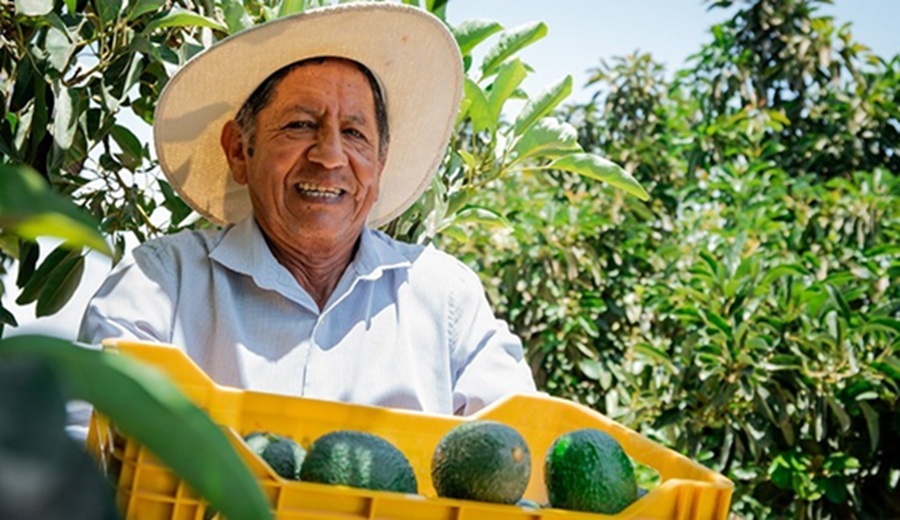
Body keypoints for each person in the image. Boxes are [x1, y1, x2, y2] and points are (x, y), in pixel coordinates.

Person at [78, 3, 536, 416]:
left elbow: (519, 451)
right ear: (240, 150)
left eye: (355, 134)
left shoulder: (445, 300)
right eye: (300, 125)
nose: (330, 156)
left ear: (380, 164)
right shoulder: (161, 285)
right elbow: (85, 446)